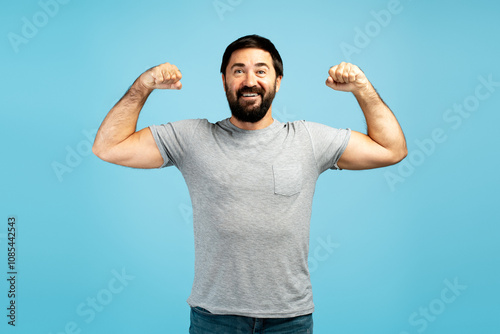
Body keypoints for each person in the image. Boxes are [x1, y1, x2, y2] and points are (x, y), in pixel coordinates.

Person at [92, 34, 407, 334]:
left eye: (261, 70)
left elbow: (391, 149)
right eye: (238, 70)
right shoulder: (192, 138)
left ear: (277, 81)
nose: (249, 80)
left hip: (290, 319)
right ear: (224, 80)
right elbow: (109, 146)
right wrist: (144, 85)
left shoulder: (308, 139)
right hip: (215, 319)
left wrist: (362, 88)